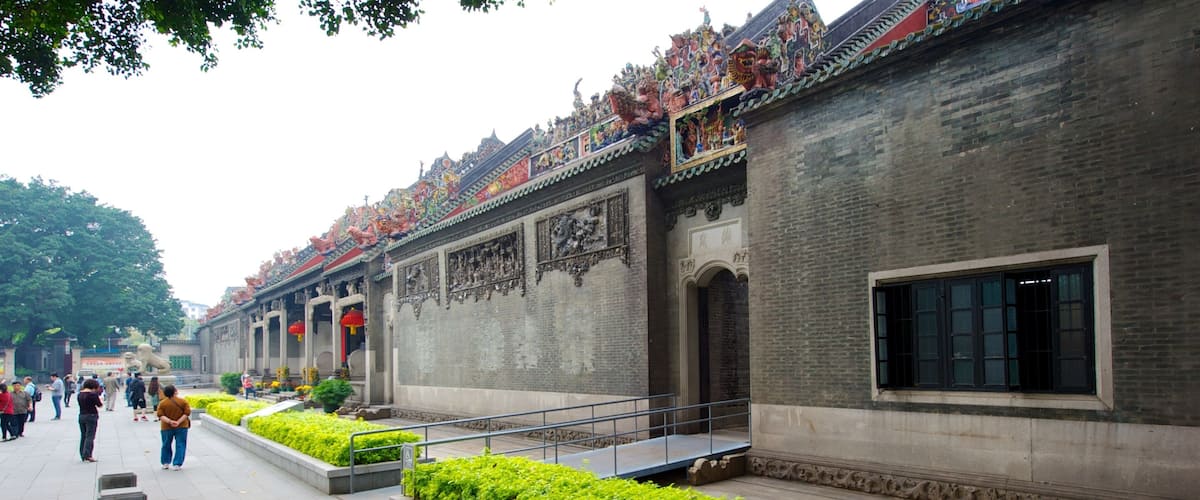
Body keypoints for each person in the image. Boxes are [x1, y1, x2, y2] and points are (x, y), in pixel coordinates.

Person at [156, 385, 191, 470]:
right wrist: (178, 422)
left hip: (166, 427)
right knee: (180, 444)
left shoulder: (162, 403)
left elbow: (160, 415)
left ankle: (165, 462)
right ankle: (177, 464)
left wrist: (170, 422)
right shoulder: (183, 402)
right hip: (182, 426)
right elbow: (187, 413)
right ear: (175, 391)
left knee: (166, 444)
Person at [77, 378, 103, 462]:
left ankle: (82, 454)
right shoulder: (92, 395)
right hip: (91, 416)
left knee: (83, 435)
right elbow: (99, 405)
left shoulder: (80, 394)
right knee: (90, 436)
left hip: (82, 416)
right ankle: (88, 455)